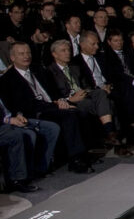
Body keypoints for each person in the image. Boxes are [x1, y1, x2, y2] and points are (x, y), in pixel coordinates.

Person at [0, 42, 93, 173]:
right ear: (13, 58)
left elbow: (54, 92)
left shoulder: (39, 70)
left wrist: (60, 100)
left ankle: (82, 154)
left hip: (51, 105)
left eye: (28, 53)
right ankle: (75, 159)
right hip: (34, 111)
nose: (26, 56)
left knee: (80, 112)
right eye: (21, 54)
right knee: (69, 116)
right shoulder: (7, 80)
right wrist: (53, 105)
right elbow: (17, 106)